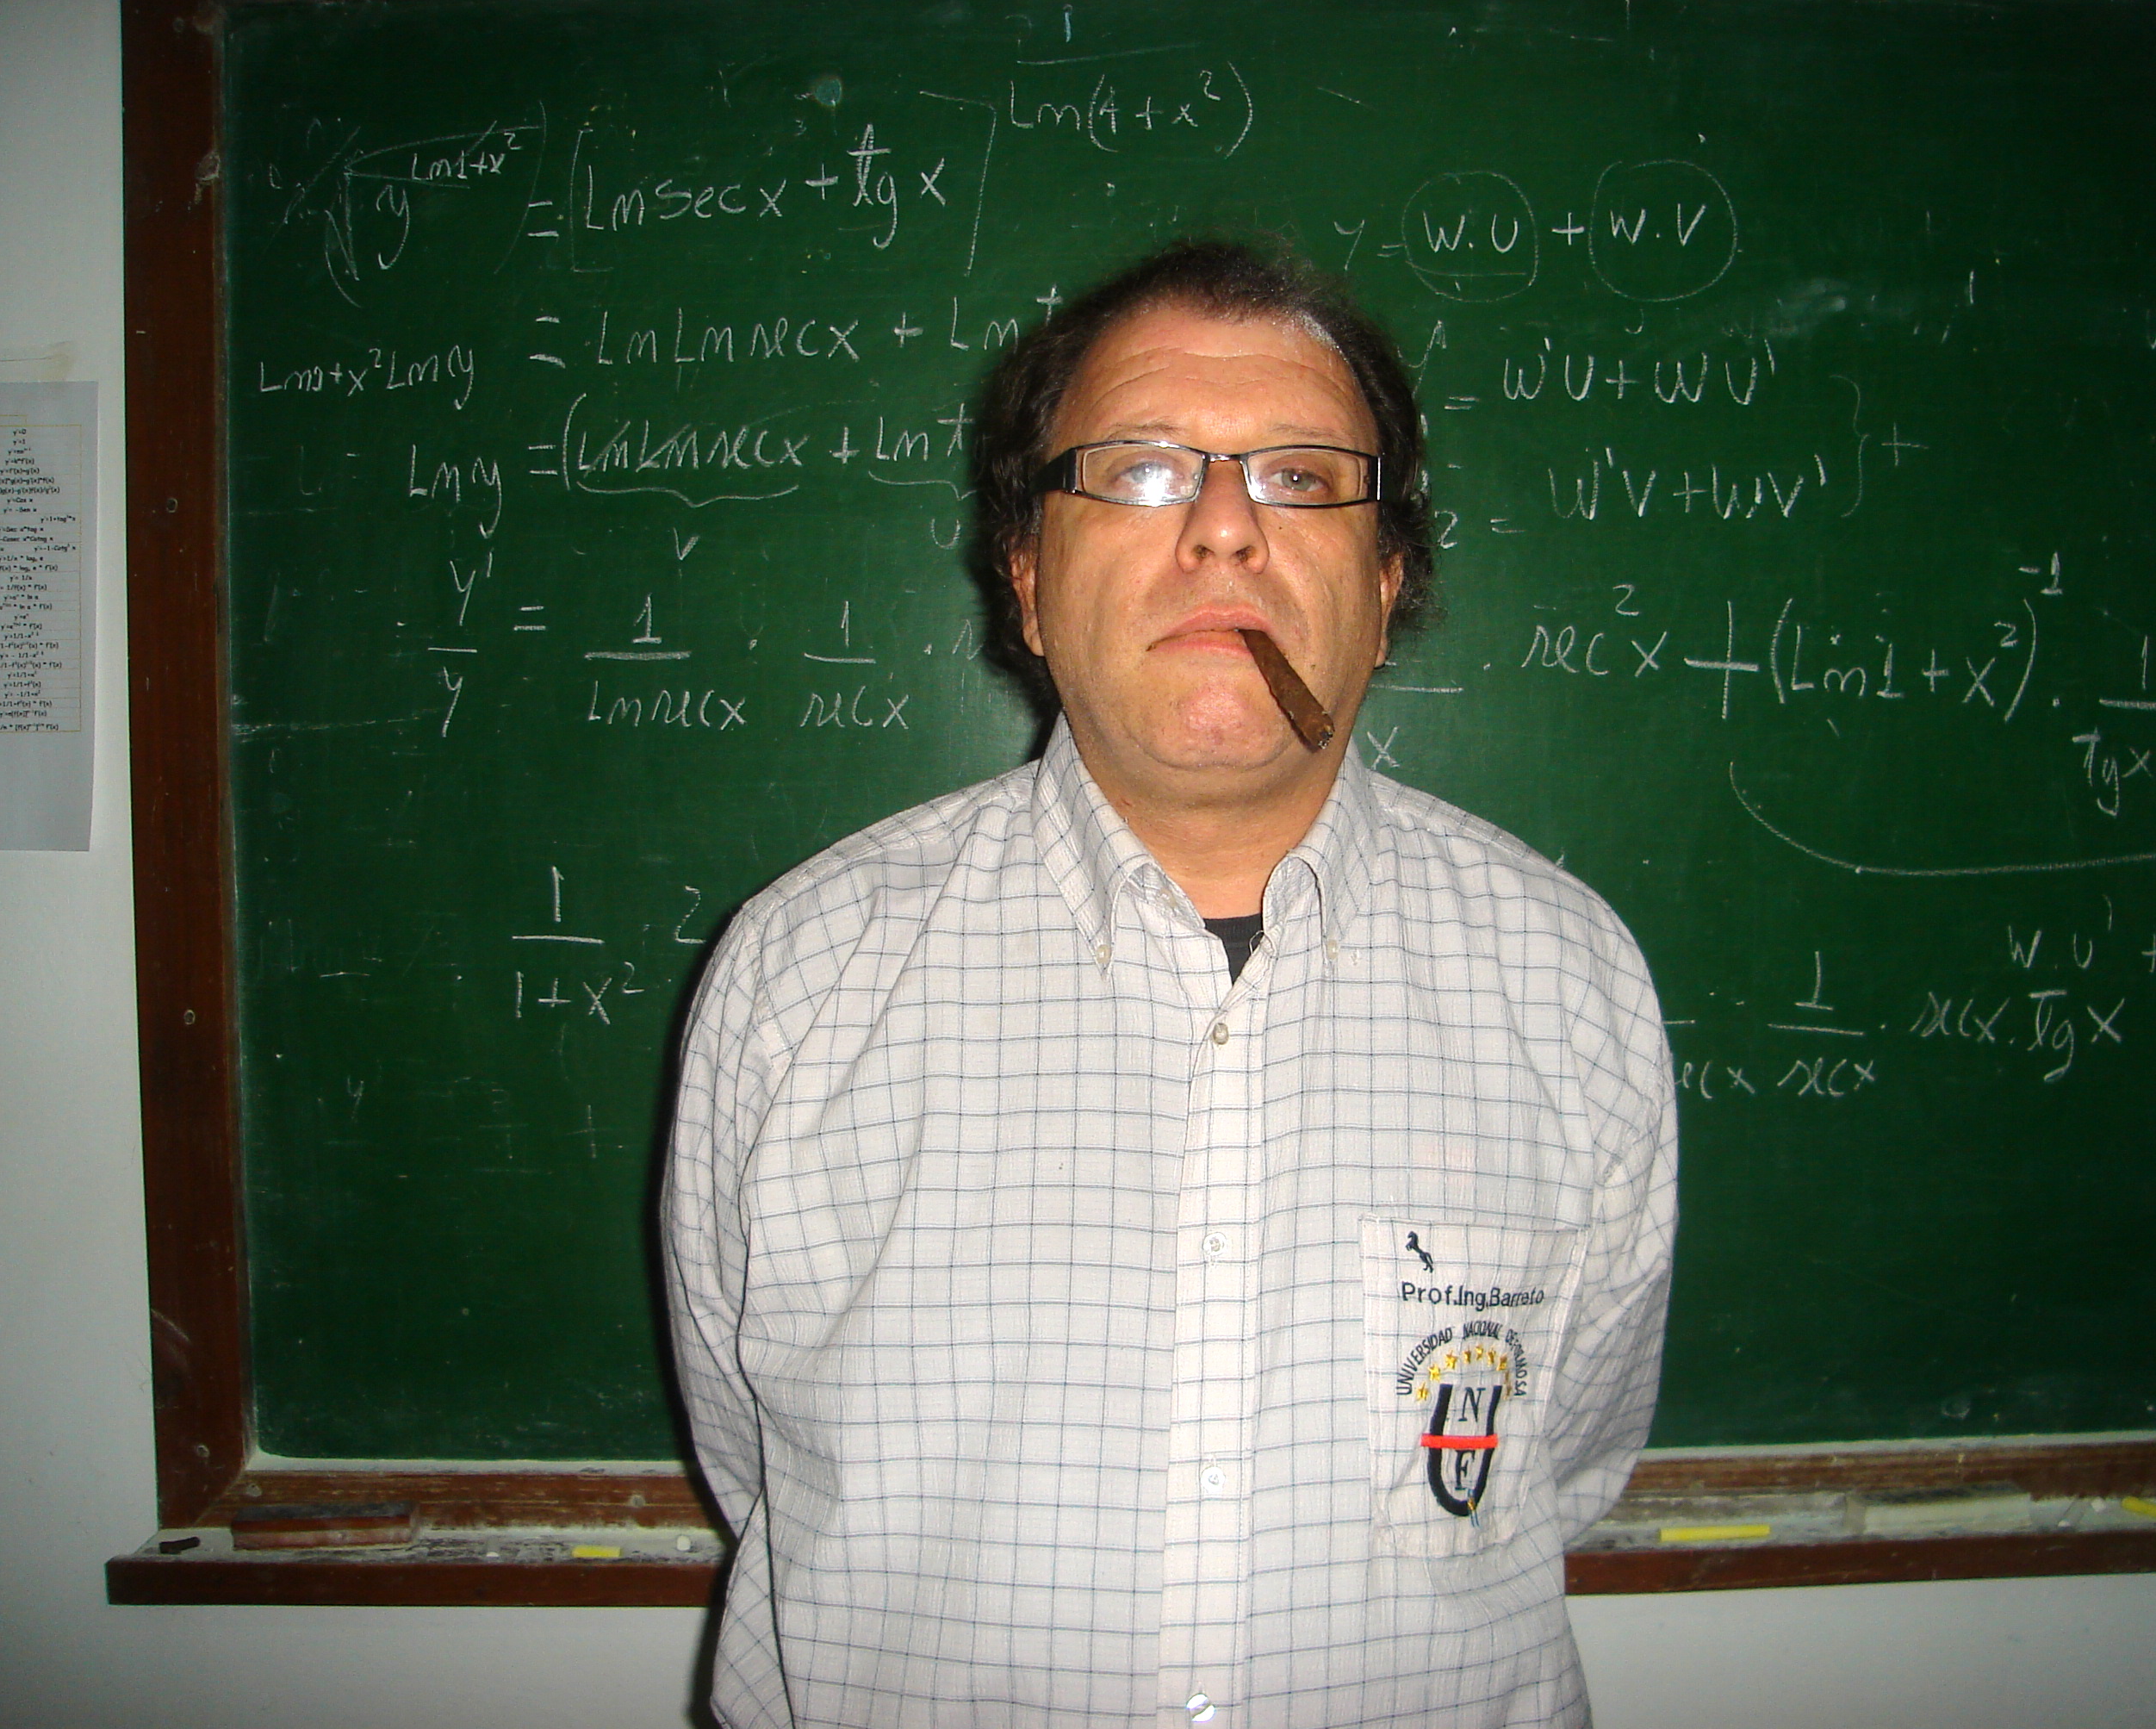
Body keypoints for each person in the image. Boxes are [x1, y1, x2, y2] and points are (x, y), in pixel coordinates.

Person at [664, 240, 1677, 1728]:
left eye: (1300, 479)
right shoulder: (798, 978)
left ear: (1387, 581)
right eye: (1139, 471)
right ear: (1028, 580)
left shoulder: (1569, 982)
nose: (1221, 532)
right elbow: (757, 1461)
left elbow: (1563, 1470)